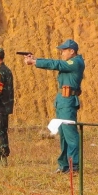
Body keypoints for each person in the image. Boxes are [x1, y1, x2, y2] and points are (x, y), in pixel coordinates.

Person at [25, 39, 85, 173]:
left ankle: (74, 166)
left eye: (64, 50)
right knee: (63, 135)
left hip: (68, 101)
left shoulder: (76, 62)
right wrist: (36, 59)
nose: (62, 53)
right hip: (63, 101)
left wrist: (35, 62)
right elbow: (56, 63)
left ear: (72, 51)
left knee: (70, 135)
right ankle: (64, 165)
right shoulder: (71, 62)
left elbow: (56, 64)